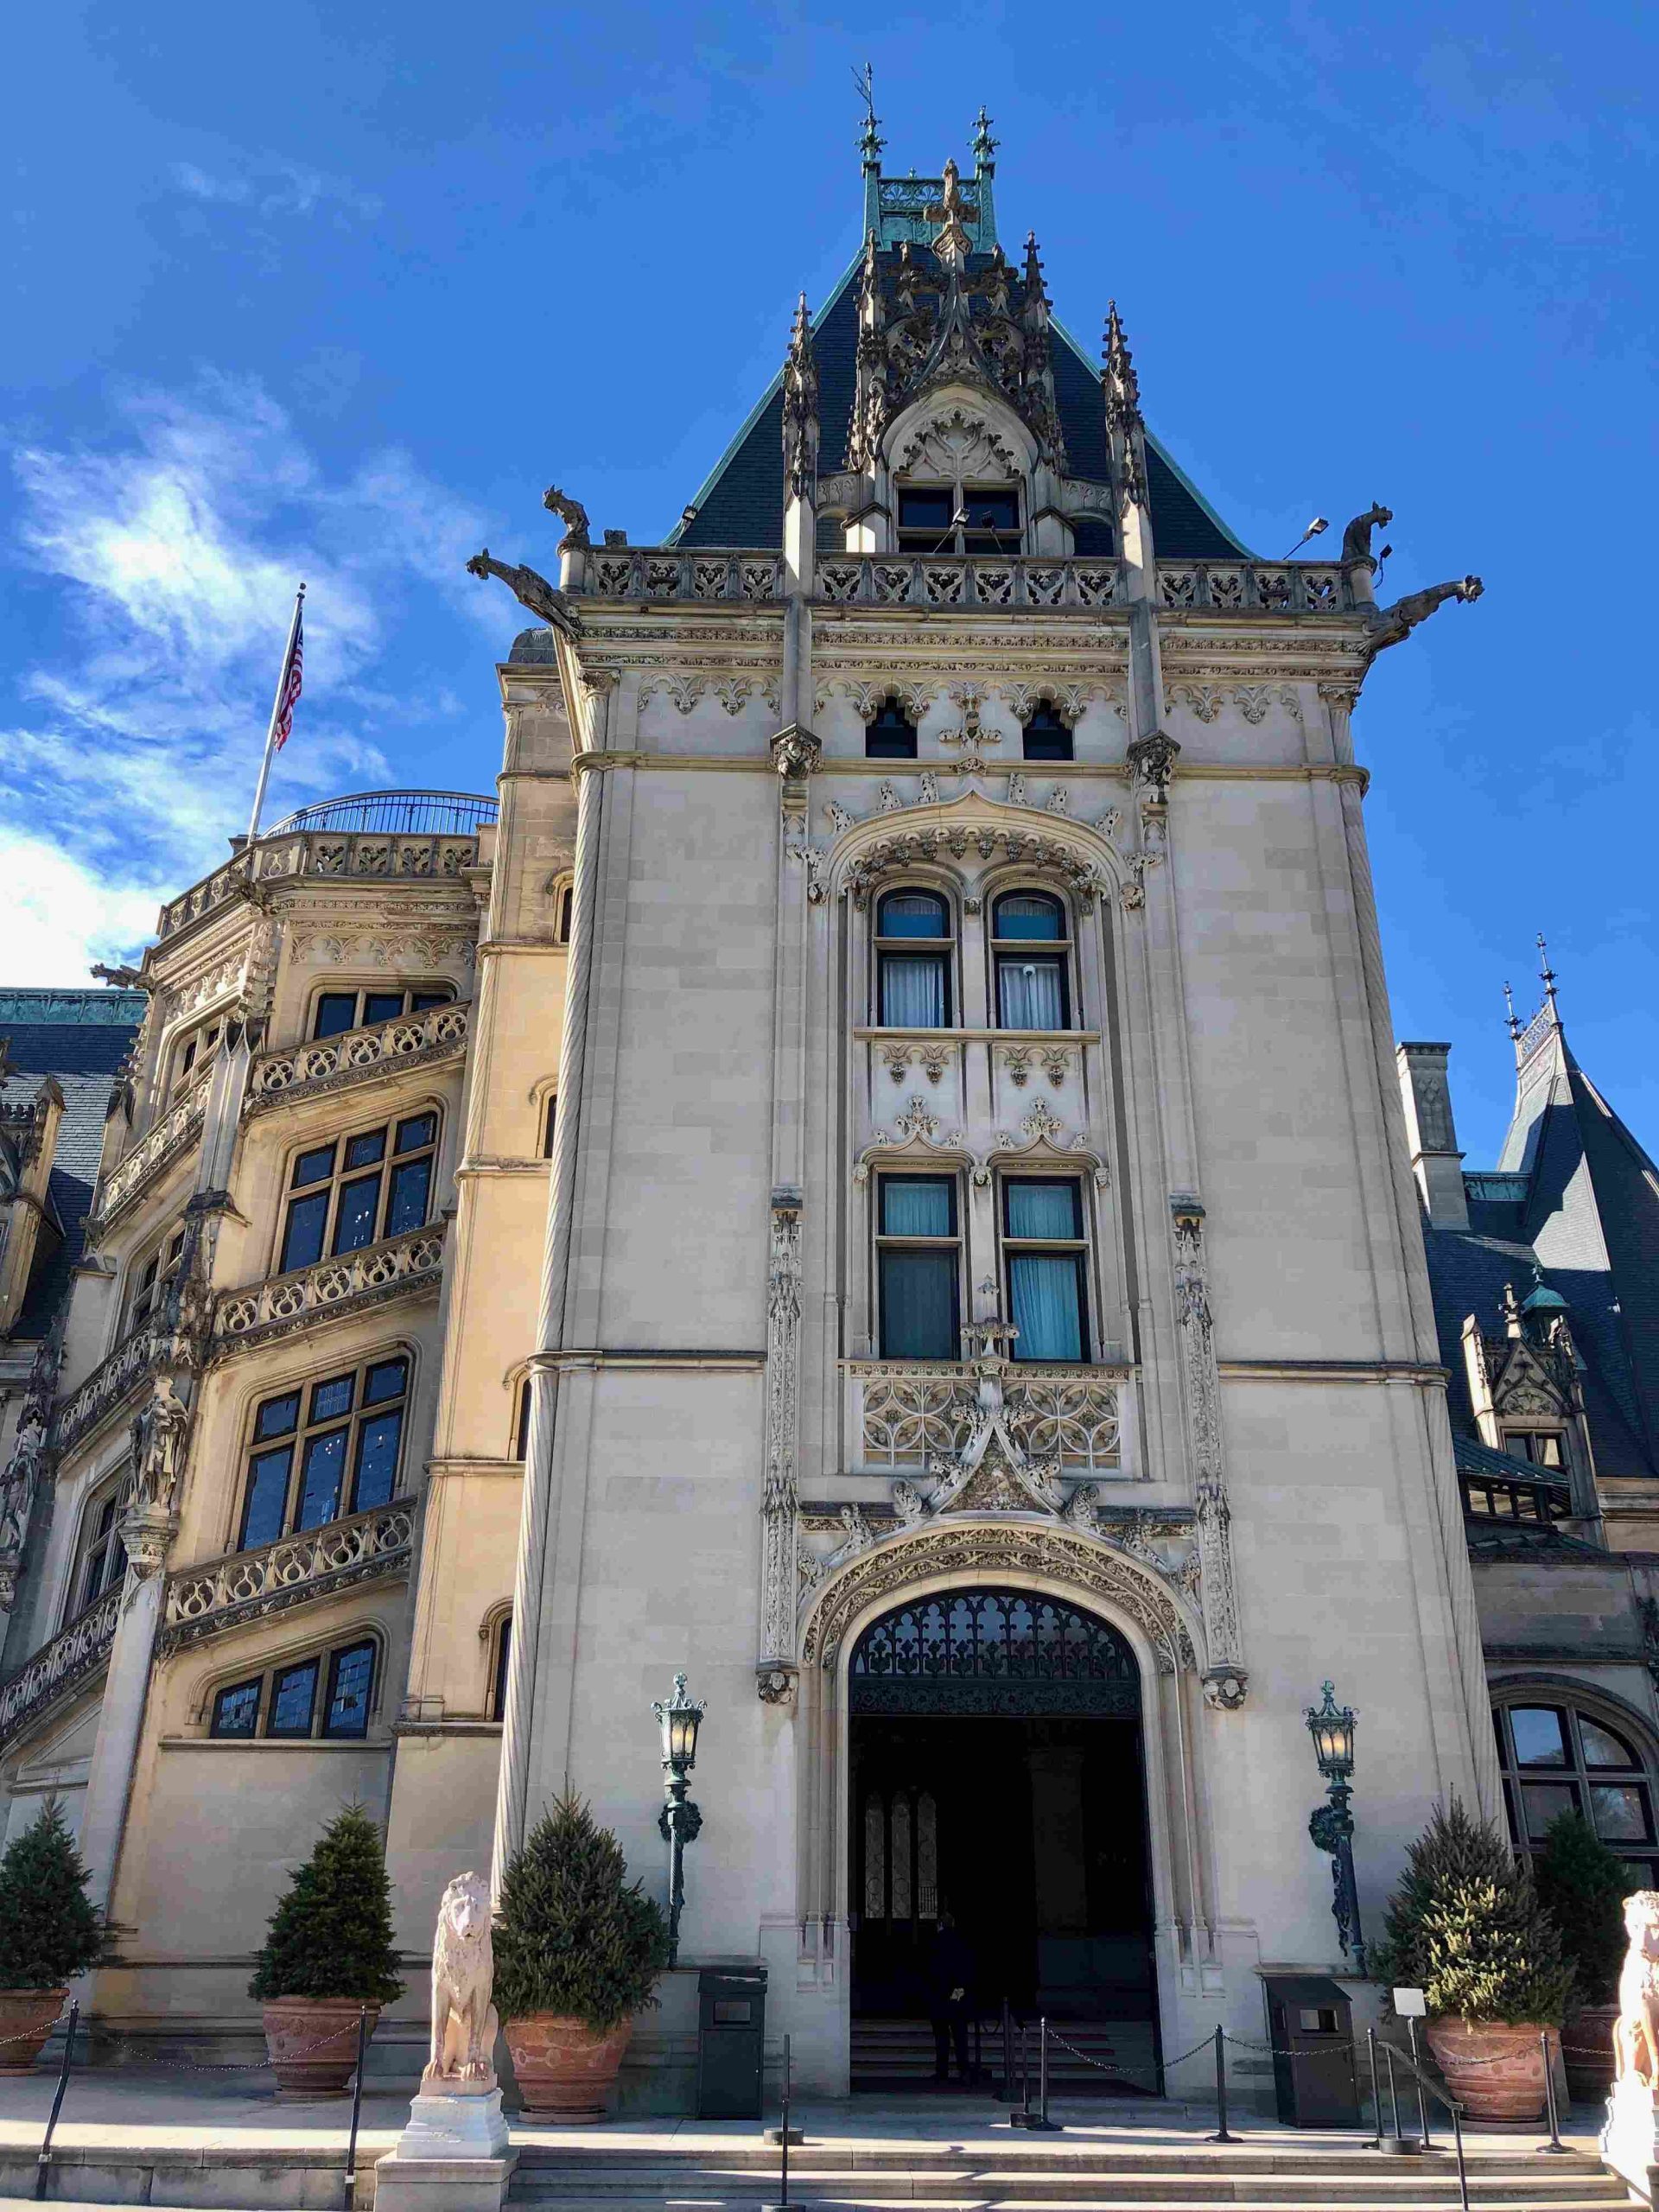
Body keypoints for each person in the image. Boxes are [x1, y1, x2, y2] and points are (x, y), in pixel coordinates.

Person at [925, 1909, 976, 2086]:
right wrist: (960, 1990)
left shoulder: (935, 1943)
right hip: (956, 1994)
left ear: (939, 1925)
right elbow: (967, 1969)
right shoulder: (961, 1943)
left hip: (939, 1995)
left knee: (942, 2037)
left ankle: (942, 2071)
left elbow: (931, 1970)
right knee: (960, 2035)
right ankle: (964, 2070)